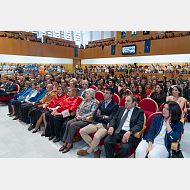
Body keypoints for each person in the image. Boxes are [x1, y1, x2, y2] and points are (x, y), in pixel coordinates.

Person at [77, 87, 119, 158]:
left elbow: (110, 119)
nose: (104, 94)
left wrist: (100, 116)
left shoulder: (115, 105)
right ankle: (96, 149)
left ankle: (89, 151)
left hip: (105, 126)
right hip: (96, 123)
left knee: (97, 136)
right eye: (104, 92)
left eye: (106, 93)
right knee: (82, 131)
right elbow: (94, 115)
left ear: (111, 95)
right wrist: (103, 116)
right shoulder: (101, 102)